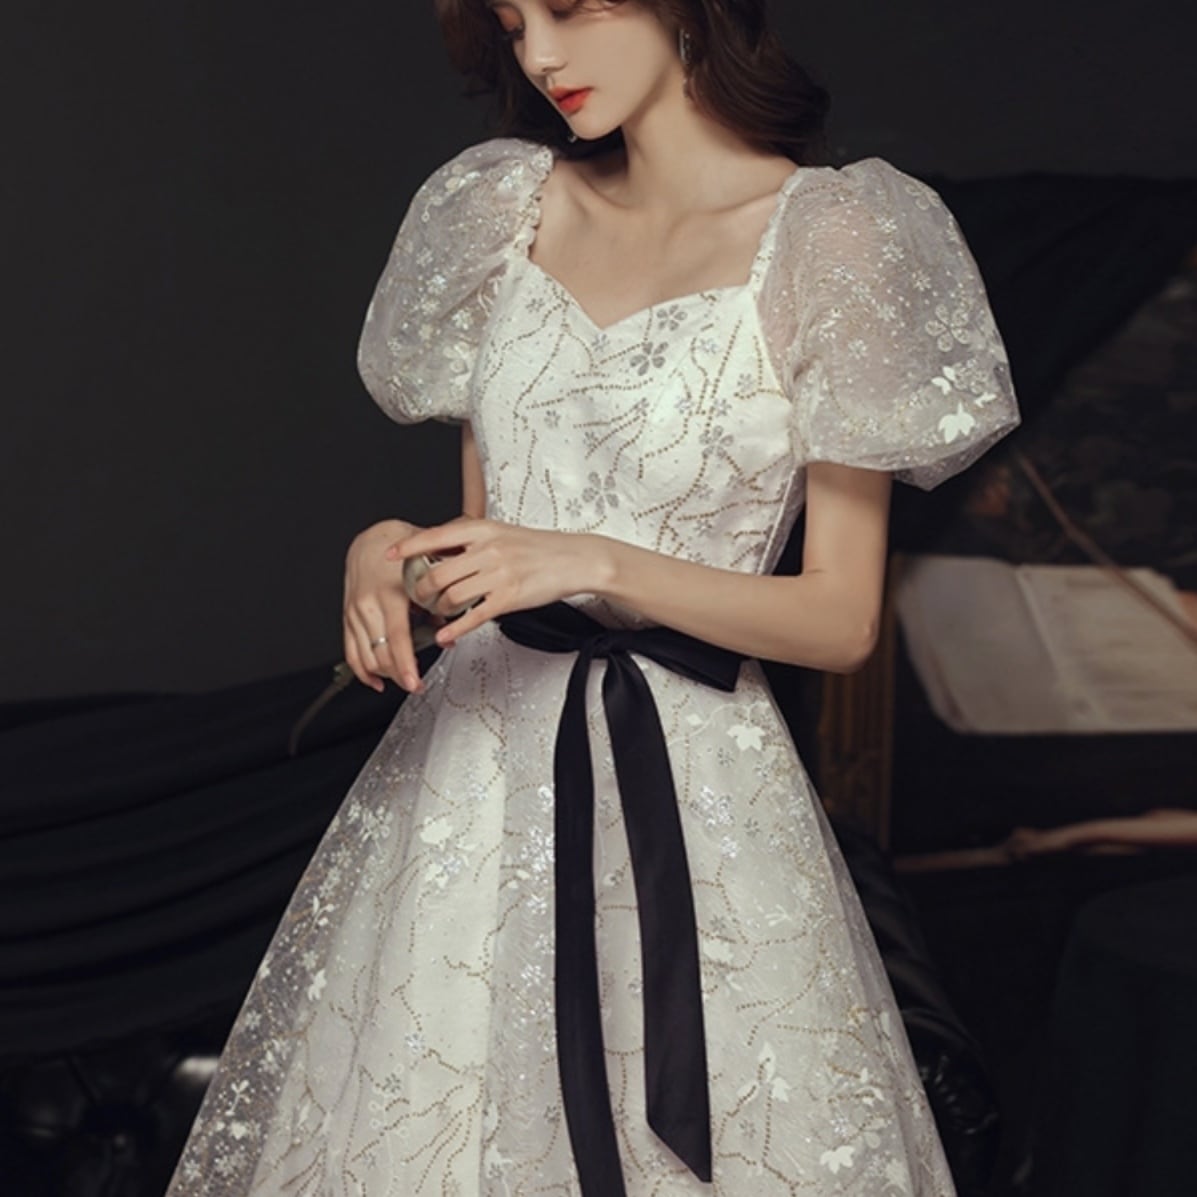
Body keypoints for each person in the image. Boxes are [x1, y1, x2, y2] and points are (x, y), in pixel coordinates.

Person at [167, 1, 1019, 1193]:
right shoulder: (501, 210)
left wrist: (600, 561)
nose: (541, 56)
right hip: (471, 783)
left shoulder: (835, 235)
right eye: (514, 23)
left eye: (568, 8)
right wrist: (393, 555)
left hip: (700, 786)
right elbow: (487, 557)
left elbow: (841, 619)